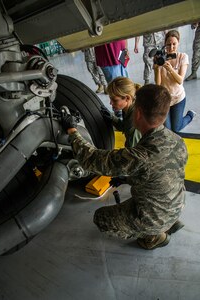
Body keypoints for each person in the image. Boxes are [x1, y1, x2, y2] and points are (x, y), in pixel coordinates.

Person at [61, 84, 188, 250]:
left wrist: (72, 130)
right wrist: (128, 177)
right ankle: (167, 222)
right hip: (177, 205)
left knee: (101, 218)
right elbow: (158, 173)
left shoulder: (139, 156)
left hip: (155, 217)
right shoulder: (177, 141)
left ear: (138, 113)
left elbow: (90, 159)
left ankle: (154, 236)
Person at [154, 29, 196, 132]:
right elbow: (158, 84)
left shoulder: (183, 57)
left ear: (178, 43)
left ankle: (190, 115)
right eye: (168, 44)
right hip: (165, 99)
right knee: (168, 129)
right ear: (165, 44)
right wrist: (156, 68)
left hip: (178, 98)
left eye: (174, 44)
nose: (171, 47)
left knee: (176, 129)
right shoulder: (161, 58)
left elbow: (180, 80)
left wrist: (170, 68)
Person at [100, 77, 142, 148]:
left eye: (115, 100)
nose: (110, 103)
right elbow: (125, 126)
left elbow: (133, 150)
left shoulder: (135, 117)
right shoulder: (127, 108)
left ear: (127, 98)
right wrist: (112, 118)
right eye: (110, 98)